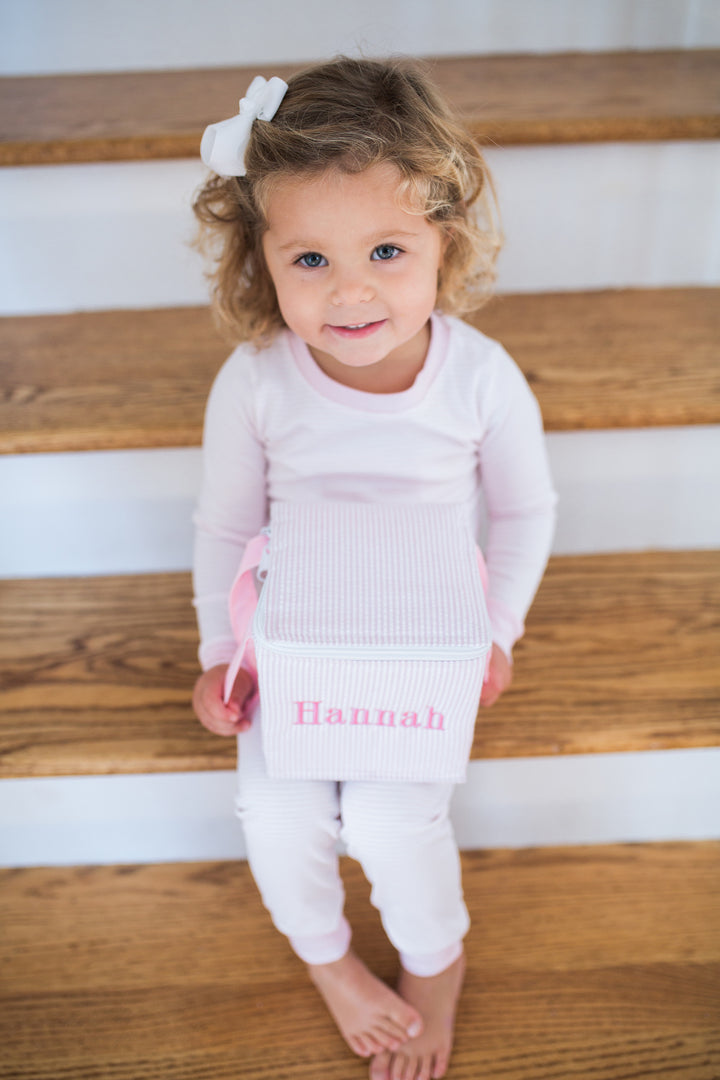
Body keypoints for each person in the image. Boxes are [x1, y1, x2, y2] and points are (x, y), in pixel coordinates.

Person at [191, 56, 556, 1080]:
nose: (351, 292)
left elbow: (527, 507)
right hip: (293, 639)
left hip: (423, 643)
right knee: (278, 808)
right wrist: (230, 653)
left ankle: (436, 959)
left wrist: (496, 629)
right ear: (260, 259)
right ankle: (329, 961)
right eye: (309, 260)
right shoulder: (258, 379)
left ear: (446, 238)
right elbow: (225, 527)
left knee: (394, 813)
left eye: (387, 250)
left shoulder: (476, 376)